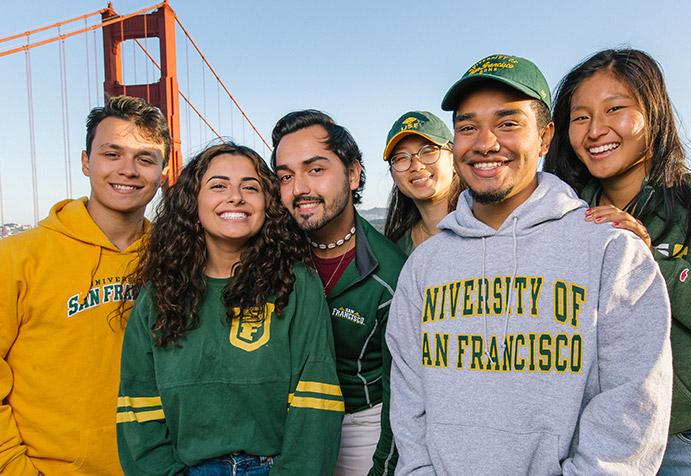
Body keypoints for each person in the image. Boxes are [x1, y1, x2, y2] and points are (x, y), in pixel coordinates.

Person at [386, 54, 674, 475]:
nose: (484, 143)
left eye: (507, 123)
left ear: (544, 138)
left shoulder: (612, 252)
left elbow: (629, 416)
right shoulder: (423, 265)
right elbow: (409, 406)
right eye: (468, 127)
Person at [543, 48, 691, 475]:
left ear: (654, 113)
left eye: (615, 108)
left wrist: (651, 262)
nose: (596, 130)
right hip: (601, 446)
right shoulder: (565, 218)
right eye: (580, 117)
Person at [116, 142, 343, 475]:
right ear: (192, 202)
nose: (236, 197)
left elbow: (316, 401)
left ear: (268, 204)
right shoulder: (157, 296)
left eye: (250, 187)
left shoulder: (297, 285)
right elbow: (138, 410)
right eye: (218, 185)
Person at [0, 96, 169, 475]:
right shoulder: (16, 257)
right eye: (112, 154)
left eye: (145, 158)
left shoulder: (178, 259)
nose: (128, 170)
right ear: (85, 161)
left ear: (163, 171)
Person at [272, 110, 406, 476]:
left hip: (357, 427)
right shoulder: (267, 256)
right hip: (279, 422)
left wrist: (383, 468)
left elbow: (403, 398)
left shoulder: (392, 275)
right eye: (286, 176)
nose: (299, 188)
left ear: (352, 173)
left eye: (316, 169)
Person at [383, 111, 463, 256]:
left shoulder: (487, 225)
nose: (416, 166)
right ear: (393, 175)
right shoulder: (395, 250)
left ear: (454, 160)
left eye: (428, 151)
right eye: (402, 158)